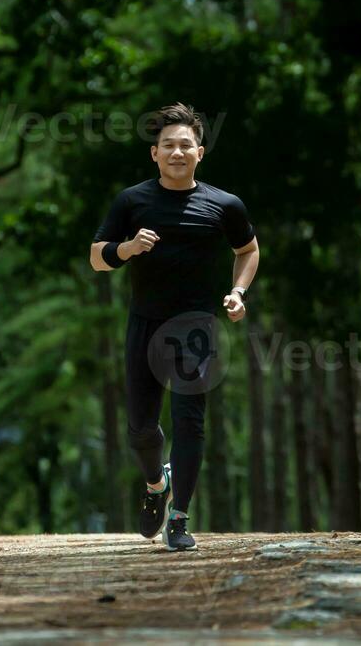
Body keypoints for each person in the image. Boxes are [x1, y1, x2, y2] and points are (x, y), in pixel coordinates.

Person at [88, 102, 260, 551]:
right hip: (145, 322)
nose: (177, 152)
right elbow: (96, 257)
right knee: (141, 427)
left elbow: (249, 250)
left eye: (186, 145)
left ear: (200, 153)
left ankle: (179, 518)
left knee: (190, 422)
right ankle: (155, 485)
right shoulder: (132, 200)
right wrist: (126, 249)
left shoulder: (224, 205)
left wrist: (237, 293)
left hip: (196, 327)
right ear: (155, 154)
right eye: (169, 145)